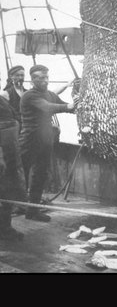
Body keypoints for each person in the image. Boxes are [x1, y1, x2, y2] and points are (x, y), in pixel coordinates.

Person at [19, 64, 75, 222]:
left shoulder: (49, 94)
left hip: (45, 141)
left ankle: (32, 211)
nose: (45, 81)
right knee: (19, 174)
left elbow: (64, 105)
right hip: (29, 141)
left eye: (46, 77)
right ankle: (8, 210)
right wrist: (68, 106)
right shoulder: (29, 96)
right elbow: (47, 107)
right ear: (33, 79)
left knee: (40, 176)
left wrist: (78, 106)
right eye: (40, 78)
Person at [0, 77, 25, 241]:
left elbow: (15, 119)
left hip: (10, 154)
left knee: (7, 191)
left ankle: (5, 228)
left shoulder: (3, 101)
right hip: (2, 155)